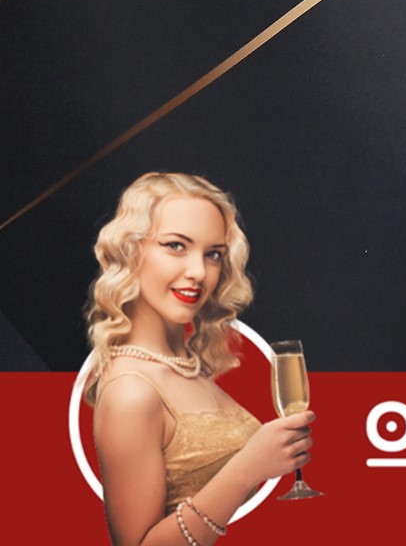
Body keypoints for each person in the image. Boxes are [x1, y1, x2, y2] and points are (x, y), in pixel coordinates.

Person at [85, 173, 313, 545]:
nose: (198, 273)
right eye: (176, 246)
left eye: (213, 255)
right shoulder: (131, 392)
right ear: (130, 250)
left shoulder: (188, 366)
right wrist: (246, 469)